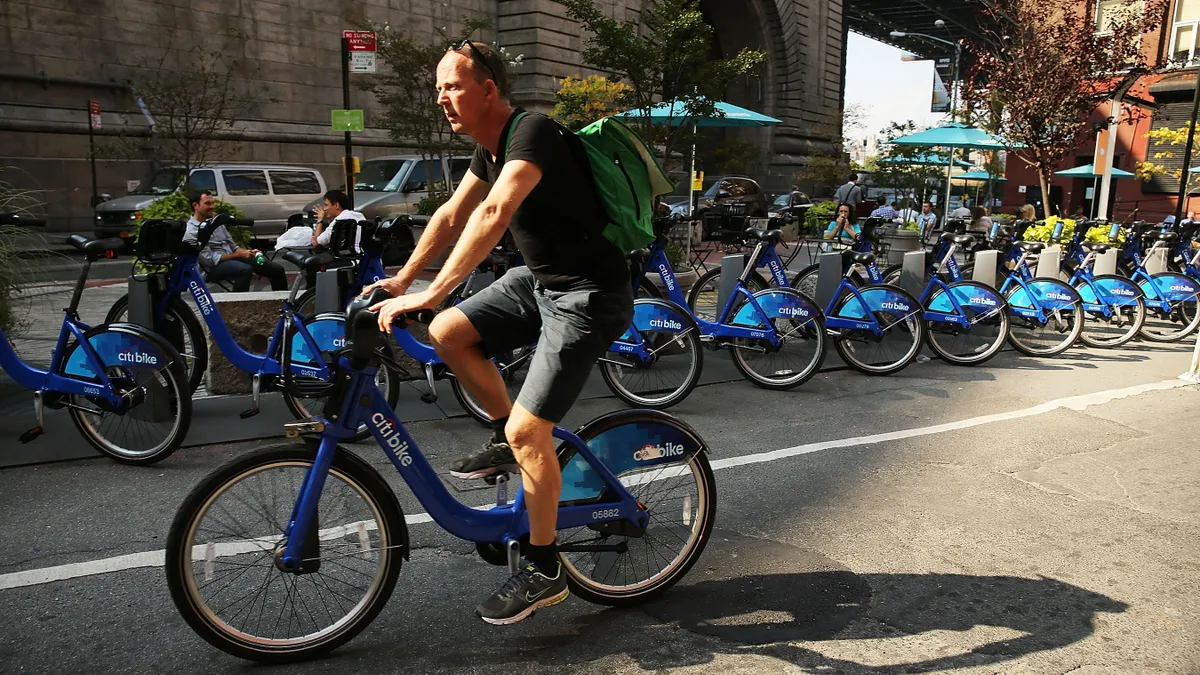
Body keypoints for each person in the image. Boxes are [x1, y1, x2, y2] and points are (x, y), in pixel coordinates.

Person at [363, 40, 634, 625]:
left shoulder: (530, 131)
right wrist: (403, 279)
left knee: (531, 429)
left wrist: (434, 289)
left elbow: (494, 213)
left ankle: (544, 567)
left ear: (488, 88)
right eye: (437, 88)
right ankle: (503, 434)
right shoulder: (487, 149)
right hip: (538, 281)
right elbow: (452, 213)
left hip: (589, 294)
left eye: (453, 86)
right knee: (449, 332)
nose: (442, 98)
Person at [183, 189, 287, 292]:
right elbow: (210, 260)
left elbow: (233, 247)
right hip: (211, 268)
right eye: (207, 204)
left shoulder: (216, 222)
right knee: (244, 270)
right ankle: (238, 305)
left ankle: (282, 303)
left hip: (232, 259)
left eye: (212, 203)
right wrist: (239, 255)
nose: (212, 207)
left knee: (276, 269)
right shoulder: (191, 231)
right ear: (195, 205)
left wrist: (247, 252)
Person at [305, 189, 366, 287]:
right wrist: (329, 218)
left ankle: (313, 292)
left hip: (344, 259)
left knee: (312, 264)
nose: (324, 209)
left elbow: (316, 242)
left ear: (336, 205)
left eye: (326, 205)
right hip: (360, 258)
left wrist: (320, 220)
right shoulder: (359, 216)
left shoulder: (339, 221)